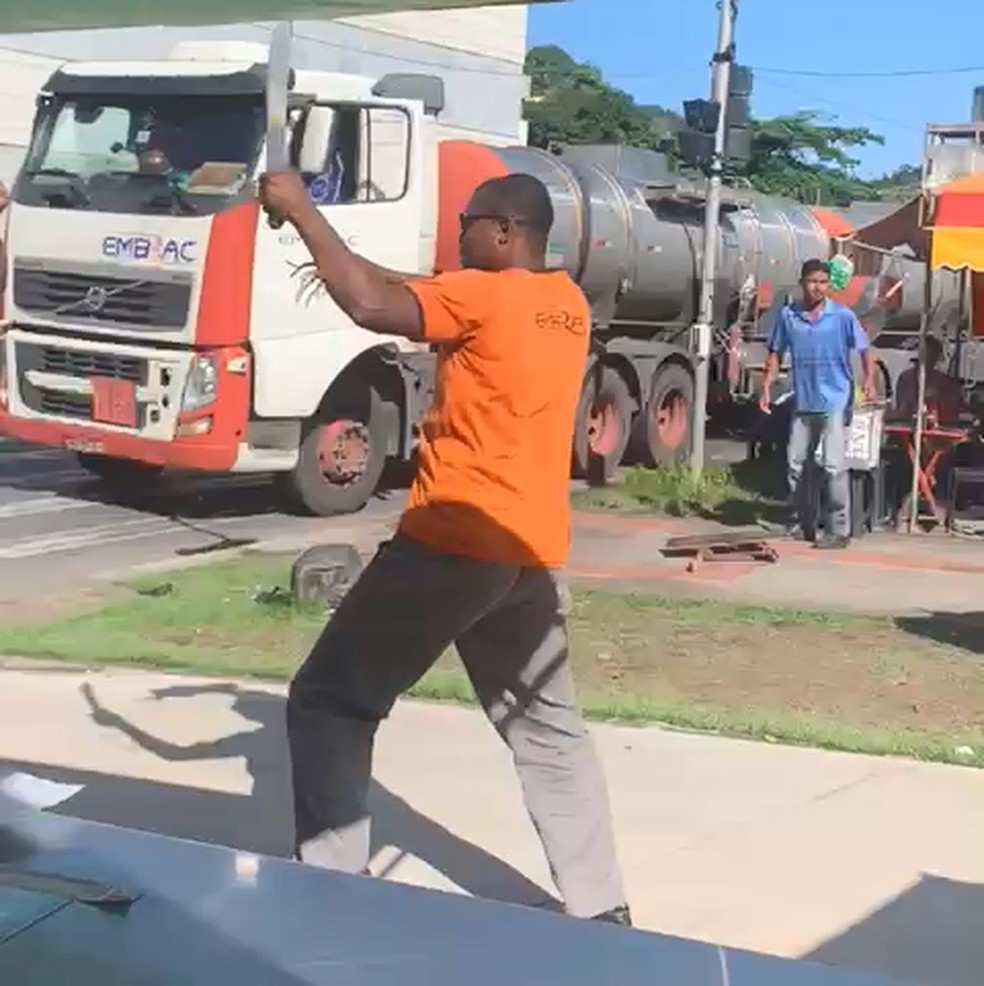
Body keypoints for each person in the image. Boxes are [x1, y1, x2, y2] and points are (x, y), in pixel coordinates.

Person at [258, 169, 631, 926]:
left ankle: (329, 894)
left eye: (467, 222)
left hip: (455, 540)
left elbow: (370, 303)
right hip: (527, 548)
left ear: (502, 232)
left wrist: (300, 212)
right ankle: (603, 908)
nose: (456, 233)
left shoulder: (483, 299)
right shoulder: (565, 304)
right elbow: (417, 286)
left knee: (329, 700)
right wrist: (332, 248)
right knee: (548, 729)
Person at [759, 259, 877, 550]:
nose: (818, 287)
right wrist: (765, 387)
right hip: (804, 400)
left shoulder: (842, 316)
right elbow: (775, 352)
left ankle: (839, 529)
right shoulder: (789, 316)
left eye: (823, 282)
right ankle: (800, 523)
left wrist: (869, 380)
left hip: (835, 399)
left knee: (833, 465)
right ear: (802, 283)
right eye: (813, 281)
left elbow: (864, 350)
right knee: (796, 465)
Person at [894, 335, 962, 423]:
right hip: (906, 425)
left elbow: (952, 409)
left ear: (937, 357)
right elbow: (901, 405)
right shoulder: (905, 378)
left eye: (933, 354)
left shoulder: (945, 382)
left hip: (934, 426)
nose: (929, 357)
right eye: (925, 353)